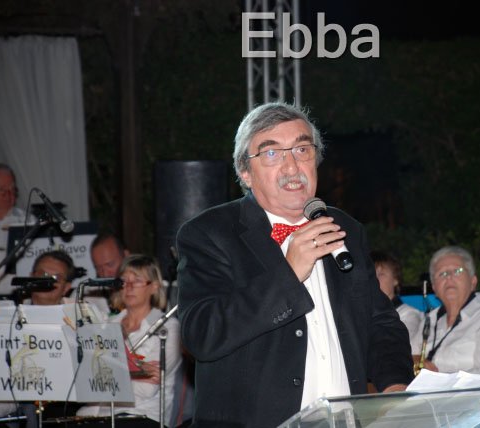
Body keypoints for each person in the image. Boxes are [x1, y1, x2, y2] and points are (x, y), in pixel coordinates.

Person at [176, 102, 413, 427]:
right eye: (272, 153)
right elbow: (202, 335)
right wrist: (288, 274)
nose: (291, 166)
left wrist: (395, 384)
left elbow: (380, 324)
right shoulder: (209, 233)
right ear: (245, 172)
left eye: (302, 149)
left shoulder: (346, 229)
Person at [77, 254, 182, 427]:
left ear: (154, 287)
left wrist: (108, 376)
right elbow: (88, 384)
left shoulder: (169, 328)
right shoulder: (106, 324)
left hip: (142, 417)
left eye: (137, 280)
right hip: (100, 415)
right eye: (124, 281)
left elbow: (146, 390)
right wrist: (135, 373)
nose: (129, 287)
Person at [417, 246, 480, 383]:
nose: (449, 277)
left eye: (457, 271)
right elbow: (405, 358)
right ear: (434, 287)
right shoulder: (429, 320)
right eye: (442, 274)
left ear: (473, 281)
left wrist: (438, 378)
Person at [0, 163, 34, 296]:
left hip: (21, 297)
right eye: (2, 190)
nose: (10, 194)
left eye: (13, 189)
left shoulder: (29, 221)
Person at [371, 250, 423, 354]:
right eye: (371, 275)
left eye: (381, 274)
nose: (374, 280)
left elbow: (397, 349)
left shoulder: (409, 315)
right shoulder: (360, 314)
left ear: (395, 279)